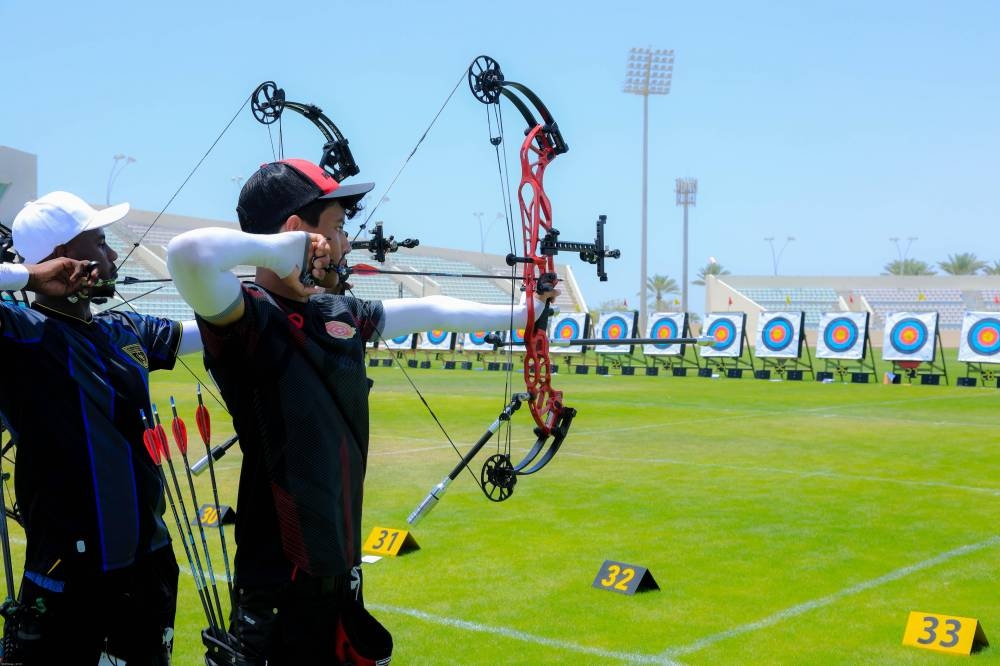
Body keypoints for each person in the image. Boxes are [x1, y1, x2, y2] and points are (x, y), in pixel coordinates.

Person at [166, 158, 555, 665]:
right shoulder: (249, 318)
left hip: (340, 579)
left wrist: (523, 313)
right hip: (279, 592)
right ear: (298, 232)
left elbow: (431, 311)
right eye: (336, 229)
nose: (346, 244)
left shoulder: (338, 311)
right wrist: (286, 250)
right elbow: (188, 254)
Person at [0, 191, 202, 665]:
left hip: (149, 564)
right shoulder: (23, 334)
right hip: (69, 577)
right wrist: (31, 276)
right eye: (100, 242)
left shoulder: (124, 329)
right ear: (62, 258)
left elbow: (217, 327)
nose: (112, 254)